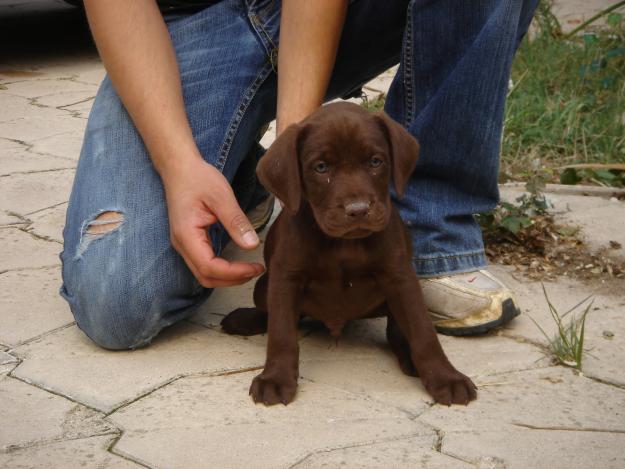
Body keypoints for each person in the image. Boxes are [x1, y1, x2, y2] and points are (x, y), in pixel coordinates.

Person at [60, 0, 538, 350]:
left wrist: (301, 138)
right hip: (184, 24)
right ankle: (244, 177)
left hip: (343, 11)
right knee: (118, 301)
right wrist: (178, 164)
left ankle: (432, 231)